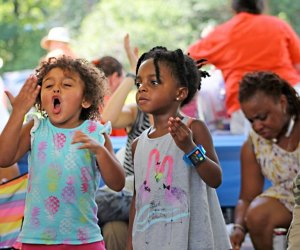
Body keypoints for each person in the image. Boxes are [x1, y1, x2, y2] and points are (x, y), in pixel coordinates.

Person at [0, 56, 125, 249]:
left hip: (84, 239)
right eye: (49, 86)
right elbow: (4, 158)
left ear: (86, 99)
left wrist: (101, 152)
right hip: (36, 239)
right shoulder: (35, 128)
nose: (56, 89)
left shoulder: (96, 133)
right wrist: (18, 111)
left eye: (66, 84)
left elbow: (118, 184)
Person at [127, 47, 231, 249]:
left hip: (191, 239)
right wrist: (130, 242)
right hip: (151, 239)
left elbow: (215, 178)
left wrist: (190, 148)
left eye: (153, 82)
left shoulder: (194, 129)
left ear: (180, 92)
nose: (142, 88)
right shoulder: (138, 144)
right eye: (139, 83)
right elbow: (137, 198)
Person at [188, 0, 300, 134]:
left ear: (234, 7)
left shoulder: (223, 32)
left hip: (247, 109)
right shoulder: (278, 25)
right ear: (261, 6)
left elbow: (186, 62)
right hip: (289, 97)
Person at [230, 71, 300, 250]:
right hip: (289, 197)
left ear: (282, 103)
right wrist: (238, 227)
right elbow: (247, 197)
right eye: (250, 120)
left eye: (262, 117)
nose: (256, 126)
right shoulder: (254, 143)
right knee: (257, 215)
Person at [92, 56, 127, 136]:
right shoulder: (114, 106)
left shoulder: (87, 100)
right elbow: (122, 139)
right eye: (123, 78)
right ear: (114, 77)